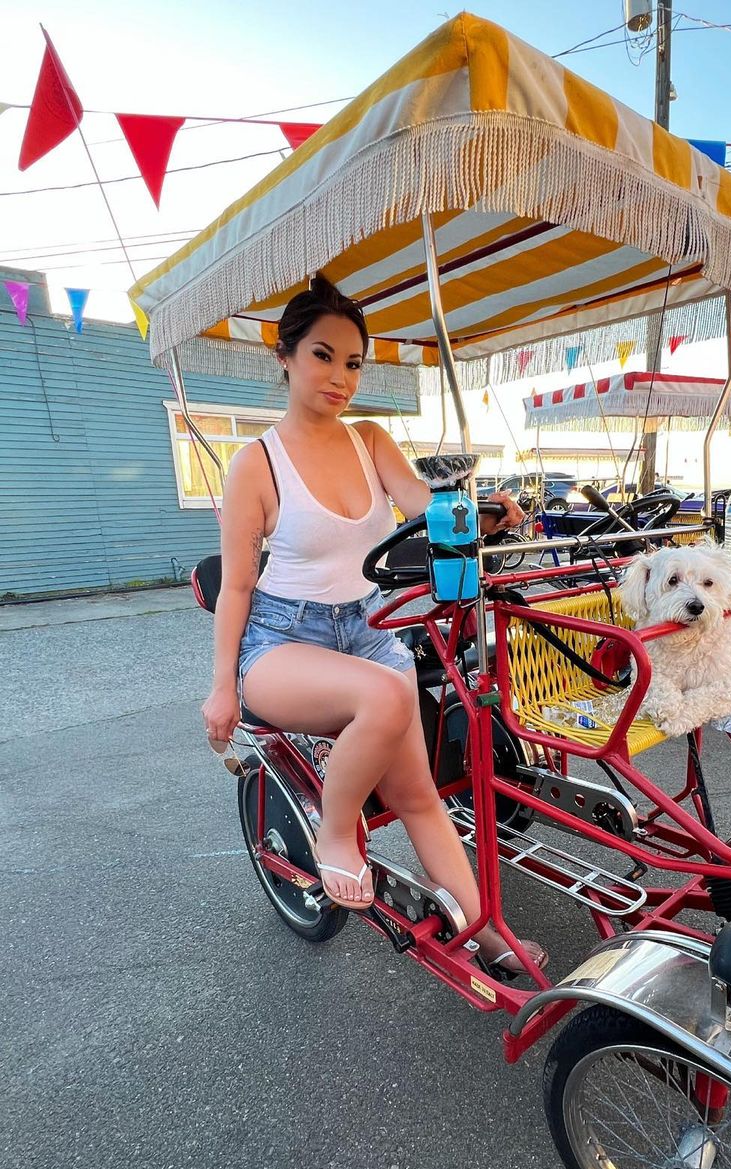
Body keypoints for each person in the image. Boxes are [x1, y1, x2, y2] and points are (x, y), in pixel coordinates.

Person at [201, 274, 546, 975]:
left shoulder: (370, 440)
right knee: (389, 694)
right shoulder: (256, 463)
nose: (341, 377)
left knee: (421, 794)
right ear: (286, 355)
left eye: (354, 362)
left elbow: (427, 512)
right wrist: (220, 689)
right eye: (324, 356)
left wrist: (480, 511)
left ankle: (486, 932)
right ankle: (336, 834)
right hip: (280, 642)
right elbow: (237, 585)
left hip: (364, 629)